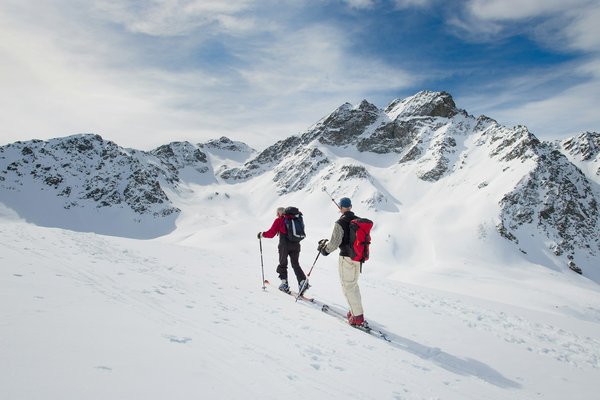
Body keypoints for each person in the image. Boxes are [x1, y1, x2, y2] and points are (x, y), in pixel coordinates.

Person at [317, 197, 365, 326]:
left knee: (348, 286)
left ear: (340, 207)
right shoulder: (358, 220)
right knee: (353, 285)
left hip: (346, 258)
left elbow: (335, 242)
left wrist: (324, 250)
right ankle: (354, 310)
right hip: (357, 259)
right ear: (350, 206)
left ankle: (357, 317)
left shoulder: (340, 222)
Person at [258, 207, 309, 294]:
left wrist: (262, 234)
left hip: (284, 245)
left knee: (283, 264)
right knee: (295, 264)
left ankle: (284, 284)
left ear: (279, 213)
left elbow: (271, 233)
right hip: (296, 244)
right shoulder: (296, 219)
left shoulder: (279, 220)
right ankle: (302, 282)